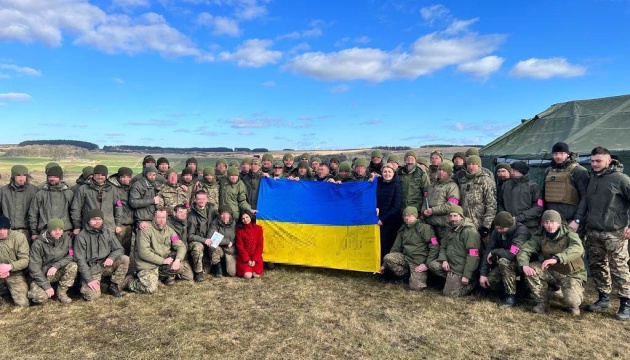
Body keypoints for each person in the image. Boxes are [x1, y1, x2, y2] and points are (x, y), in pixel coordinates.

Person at [581, 146, 630, 320]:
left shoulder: (621, 179)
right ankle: (603, 297)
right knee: (597, 265)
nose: (594, 164)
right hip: (594, 231)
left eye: (598, 161)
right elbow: (586, 202)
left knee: (619, 267)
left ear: (608, 161)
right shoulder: (593, 178)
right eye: (592, 161)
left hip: (615, 232)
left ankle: (626, 303)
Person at [517, 210, 586, 316]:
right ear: (543, 224)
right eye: (546, 222)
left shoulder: (570, 234)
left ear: (558, 223)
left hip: (571, 273)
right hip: (552, 271)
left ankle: (574, 298)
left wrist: (557, 258)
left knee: (572, 301)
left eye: (553, 221)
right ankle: (542, 302)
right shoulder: (540, 236)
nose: (550, 225)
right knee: (531, 270)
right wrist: (524, 265)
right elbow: (525, 249)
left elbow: (577, 248)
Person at [127, 208, 191, 293]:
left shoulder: (170, 231)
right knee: (151, 289)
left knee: (183, 270)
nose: (161, 220)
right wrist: (163, 260)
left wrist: (177, 260)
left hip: (162, 264)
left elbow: (181, 246)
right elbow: (144, 253)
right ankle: (130, 281)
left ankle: (159, 277)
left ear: (166, 218)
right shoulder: (145, 230)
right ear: (154, 217)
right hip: (148, 265)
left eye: (163, 218)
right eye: (158, 217)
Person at [73, 209, 129, 301]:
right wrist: (89, 280)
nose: (97, 222)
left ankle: (113, 285)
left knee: (124, 259)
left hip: (105, 265)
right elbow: (80, 261)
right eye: (94, 219)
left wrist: (111, 257)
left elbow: (119, 249)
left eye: (99, 219)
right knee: (92, 296)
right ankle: (86, 284)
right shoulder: (81, 236)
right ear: (88, 221)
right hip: (91, 269)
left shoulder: (107, 232)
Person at [479, 212, 531, 307]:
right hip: (506, 263)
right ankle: (517, 290)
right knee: (490, 282)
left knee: (504, 261)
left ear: (510, 226)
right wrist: (483, 274)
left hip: (522, 264)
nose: (498, 230)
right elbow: (488, 251)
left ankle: (511, 296)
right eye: (497, 228)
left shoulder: (521, 232)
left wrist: (495, 251)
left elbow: (512, 254)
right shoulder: (497, 231)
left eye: (501, 228)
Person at [381, 206, 438, 290]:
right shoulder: (403, 230)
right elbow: (395, 249)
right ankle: (404, 276)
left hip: (419, 262)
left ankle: (424, 276)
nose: (407, 218)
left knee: (416, 288)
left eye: (410, 215)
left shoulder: (425, 228)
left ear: (415, 216)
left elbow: (434, 246)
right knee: (388, 257)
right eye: (405, 216)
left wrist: (426, 264)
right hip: (406, 258)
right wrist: (384, 266)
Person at [428, 205, 481, 297]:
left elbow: (473, 255)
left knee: (448, 294)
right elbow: (443, 246)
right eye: (451, 216)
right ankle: (451, 280)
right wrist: (444, 260)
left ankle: (471, 284)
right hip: (450, 264)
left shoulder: (469, 231)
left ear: (461, 216)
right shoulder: (449, 229)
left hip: (461, 268)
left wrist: (467, 275)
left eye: (455, 216)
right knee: (433, 265)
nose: (453, 219)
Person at [27, 218, 77, 304]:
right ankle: (33, 290)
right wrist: (46, 286)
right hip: (42, 275)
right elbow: (34, 268)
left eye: (60, 229)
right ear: (49, 230)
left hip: (57, 270)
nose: (58, 232)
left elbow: (71, 255)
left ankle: (61, 294)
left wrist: (56, 266)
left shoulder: (67, 239)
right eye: (54, 230)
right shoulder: (38, 244)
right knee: (40, 298)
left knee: (73, 265)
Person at [542, 142, 590, 231]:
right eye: (555, 154)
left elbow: (585, 197)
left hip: (571, 221)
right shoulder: (548, 171)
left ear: (567, 154)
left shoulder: (578, 171)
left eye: (561, 153)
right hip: (552, 221)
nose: (558, 156)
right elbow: (544, 195)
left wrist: (577, 220)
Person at [28, 165, 74, 242]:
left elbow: (74, 212)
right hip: (44, 232)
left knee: (68, 253)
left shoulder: (69, 194)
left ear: (60, 177)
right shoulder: (40, 194)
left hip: (64, 232)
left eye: (55, 176)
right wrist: (34, 232)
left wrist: (76, 228)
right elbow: (33, 214)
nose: (52, 179)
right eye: (50, 176)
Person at [458, 155, 496, 244]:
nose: (471, 167)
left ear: (479, 165)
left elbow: (491, 204)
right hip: (466, 222)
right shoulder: (463, 181)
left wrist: (486, 226)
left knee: (483, 247)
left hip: (480, 222)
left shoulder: (486, 180)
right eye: (469, 164)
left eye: (473, 164)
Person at [497, 161, 543, 233]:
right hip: (508, 226)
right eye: (511, 170)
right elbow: (500, 203)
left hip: (528, 226)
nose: (511, 172)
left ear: (520, 171)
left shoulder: (534, 187)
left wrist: (519, 218)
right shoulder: (506, 185)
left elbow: (538, 208)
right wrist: (505, 217)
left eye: (514, 170)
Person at [71, 164, 115, 233]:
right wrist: (77, 226)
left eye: (102, 175)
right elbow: (76, 208)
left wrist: (118, 224)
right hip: (88, 227)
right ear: (93, 175)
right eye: (97, 174)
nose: (100, 177)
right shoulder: (83, 189)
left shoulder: (112, 189)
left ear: (106, 176)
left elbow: (119, 205)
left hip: (108, 227)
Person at [0, 165, 39, 243]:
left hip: (27, 233)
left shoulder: (35, 191)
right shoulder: (3, 191)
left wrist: (35, 232)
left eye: (24, 175)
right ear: (13, 176)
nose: (21, 178)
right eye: (18, 175)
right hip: (7, 232)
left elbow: (38, 213)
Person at [422, 162, 460, 242]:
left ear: (449, 173)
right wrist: (423, 211)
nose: (441, 172)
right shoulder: (432, 185)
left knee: (443, 246)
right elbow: (425, 200)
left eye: (444, 170)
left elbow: (451, 205)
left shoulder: (452, 186)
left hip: (443, 225)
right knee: (432, 245)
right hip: (429, 224)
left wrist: (433, 210)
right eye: (439, 170)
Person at [187, 190, 217, 281]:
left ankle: (216, 267)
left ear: (207, 199)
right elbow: (190, 236)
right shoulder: (192, 215)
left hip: (210, 237)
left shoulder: (212, 211)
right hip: (197, 240)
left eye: (203, 198)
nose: (201, 201)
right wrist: (204, 240)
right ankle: (198, 272)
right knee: (198, 247)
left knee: (217, 245)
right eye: (199, 199)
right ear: (195, 200)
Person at [0, 215, 29, 307]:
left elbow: (25, 260)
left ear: (9, 228)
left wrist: (9, 267)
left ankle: (7, 291)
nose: (1, 232)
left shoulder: (19, 237)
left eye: (4, 228)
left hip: (15, 273)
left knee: (23, 303)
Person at [376, 164, 403, 261]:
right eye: (385, 172)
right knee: (380, 243)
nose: (387, 174)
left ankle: (388, 268)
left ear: (393, 173)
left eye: (389, 172)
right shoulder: (378, 184)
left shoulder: (397, 186)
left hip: (391, 220)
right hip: (379, 218)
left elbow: (396, 206)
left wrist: (383, 219)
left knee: (388, 244)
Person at [109, 167, 135, 256]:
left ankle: (125, 266)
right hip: (119, 223)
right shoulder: (112, 188)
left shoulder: (132, 187)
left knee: (127, 246)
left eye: (128, 177)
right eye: (123, 177)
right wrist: (118, 224)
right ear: (119, 177)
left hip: (129, 222)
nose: (126, 179)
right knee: (117, 246)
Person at [208, 205, 237, 277]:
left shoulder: (235, 223)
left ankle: (225, 265)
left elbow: (238, 236)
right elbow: (211, 237)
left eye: (227, 214)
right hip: (219, 248)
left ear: (230, 215)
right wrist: (227, 242)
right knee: (212, 246)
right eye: (222, 214)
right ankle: (218, 268)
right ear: (219, 215)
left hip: (230, 250)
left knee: (232, 273)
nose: (225, 216)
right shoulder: (215, 223)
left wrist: (232, 243)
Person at [235, 210, 264, 278]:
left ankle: (255, 265)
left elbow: (260, 245)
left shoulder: (258, 228)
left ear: (250, 216)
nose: (245, 220)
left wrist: (255, 259)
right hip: (244, 258)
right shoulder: (239, 230)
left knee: (256, 275)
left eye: (247, 217)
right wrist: (247, 260)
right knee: (248, 276)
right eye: (243, 218)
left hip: (255, 256)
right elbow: (240, 247)